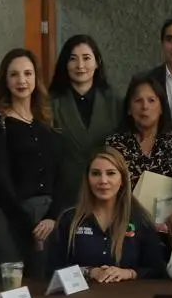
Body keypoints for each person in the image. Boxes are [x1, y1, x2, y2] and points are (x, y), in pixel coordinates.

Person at [0, 49, 64, 286]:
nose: (22, 80)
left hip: (47, 220)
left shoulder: (47, 121)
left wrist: (52, 216)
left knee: (44, 292)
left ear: (36, 79)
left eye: (28, 73)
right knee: (6, 290)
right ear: (5, 80)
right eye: (14, 74)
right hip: (10, 217)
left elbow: (60, 173)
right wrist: (28, 225)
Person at [47, 147, 164, 282]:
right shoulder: (69, 219)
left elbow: (157, 271)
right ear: (87, 179)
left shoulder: (141, 219)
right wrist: (89, 272)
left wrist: (129, 273)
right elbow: (52, 272)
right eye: (96, 173)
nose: (103, 180)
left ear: (123, 180)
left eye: (111, 173)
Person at [49, 35, 123, 205]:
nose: (80, 66)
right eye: (73, 59)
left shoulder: (116, 102)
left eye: (86, 58)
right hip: (64, 194)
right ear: (65, 64)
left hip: (106, 194)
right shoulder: (50, 104)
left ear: (97, 63)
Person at [106, 76, 172, 189]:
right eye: (138, 101)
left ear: (161, 108)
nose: (145, 106)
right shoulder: (115, 144)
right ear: (129, 109)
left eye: (151, 100)